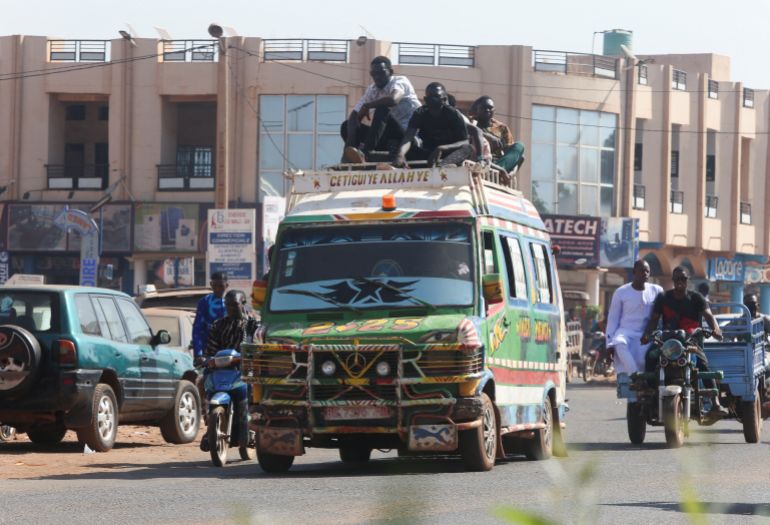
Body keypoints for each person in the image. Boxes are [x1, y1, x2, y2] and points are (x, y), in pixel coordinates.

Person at [641, 266, 727, 416]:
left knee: (702, 364)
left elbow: (709, 316)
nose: (680, 281)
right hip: (667, 342)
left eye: (683, 279)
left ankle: (715, 403)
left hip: (690, 341)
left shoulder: (696, 298)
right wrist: (647, 334)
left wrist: (716, 329)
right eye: (677, 279)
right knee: (650, 356)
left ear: (688, 280)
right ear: (673, 280)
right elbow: (654, 320)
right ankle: (649, 391)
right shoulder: (663, 298)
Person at [200, 290, 257, 451]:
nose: (231, 308)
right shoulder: (219, 324)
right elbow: (211, 349)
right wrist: (207, 360)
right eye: (228, 305)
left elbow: (257, 348)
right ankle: (210, 426)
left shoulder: (253, 324)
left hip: (245, 369)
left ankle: (252, 427)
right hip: (222, 369)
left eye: (234, 305)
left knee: (254, 389)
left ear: (243, 303)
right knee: (202, 383)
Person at [340, 56, 421, 163]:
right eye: (373, 74)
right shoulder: (372, 89)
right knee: (347, 125)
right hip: (388, 137)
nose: (377, 77)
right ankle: (352, 156)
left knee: (382, 109)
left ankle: (366, 152)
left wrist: (368, 106)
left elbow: (393, 100)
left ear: (390, 72)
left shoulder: (400, 81)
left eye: (381, 73)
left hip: (407, 136)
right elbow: (355, 114)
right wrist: (350, 143)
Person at [393, 82, 473, 168]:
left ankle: (442, 167)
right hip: (428, 153)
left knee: (467, 148)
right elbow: (408, 137)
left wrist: (442, 148)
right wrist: (400, 154)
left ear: (444, 99)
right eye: (430, 96)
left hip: (449, 153)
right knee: (398, 146)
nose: (433, 99)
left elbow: (465, 141)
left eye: (436, 96)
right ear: (425, 99)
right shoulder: (419, 113)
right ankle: (399, 167)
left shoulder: (453, 114)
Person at [605, 260, 663, 375]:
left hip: (646, 334)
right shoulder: (621, 292)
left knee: (643, 361)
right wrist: (609, 344)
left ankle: (643, 381)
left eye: (648, 271)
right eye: (642, 271)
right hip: (626, 331)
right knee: (619, 343)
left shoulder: (656, 290)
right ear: (634, 272)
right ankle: (635, 377)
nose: (645, 274)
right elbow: (612, 320)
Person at [469, 96, 525, 173]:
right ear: (477, 110)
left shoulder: (502, 127)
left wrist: (512, 173)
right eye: (483, 108)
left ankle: (499, 170)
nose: (487, 110)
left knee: (519, 145)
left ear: (494, 110)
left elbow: (511, 155)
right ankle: (497, 170)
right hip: (480, 161)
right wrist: (488, 137)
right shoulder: (470, 123)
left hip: (498, 162)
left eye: (490, 108)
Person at [192, 272, 228, 366]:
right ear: (211, 285)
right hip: (208, 351)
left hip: (228, 350)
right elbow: (197, 328)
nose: (217, 289)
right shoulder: (204, 302)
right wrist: (198, 354)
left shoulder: (232, 301)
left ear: (227, 285)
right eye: (214, 285)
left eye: (221, 286)